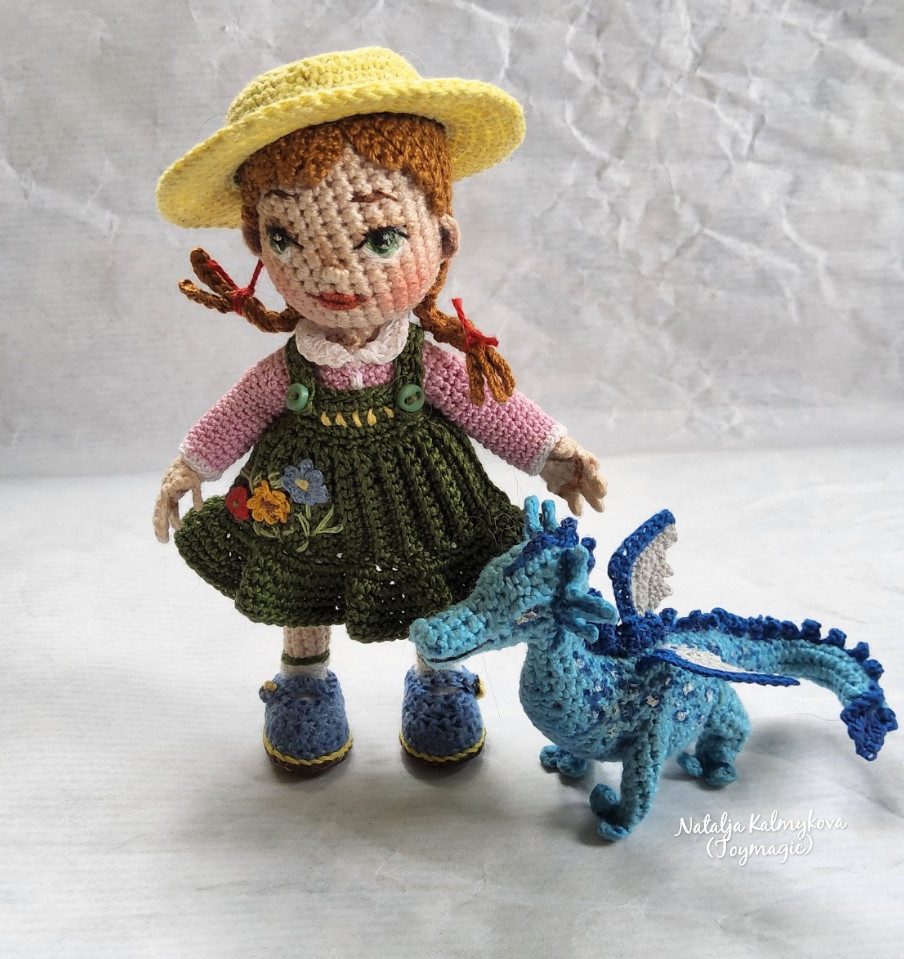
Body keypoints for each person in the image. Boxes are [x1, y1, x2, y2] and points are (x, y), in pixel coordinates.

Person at [153, 47, 606, 773]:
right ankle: (304, 684)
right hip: (306, 492)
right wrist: (192, 464)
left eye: (381, 238)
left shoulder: (425, 361)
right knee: (300, 584)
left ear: (441, 237)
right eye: (287, 239)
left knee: (439, 581)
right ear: (257, 243)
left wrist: (553, 453)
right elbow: (239, 410)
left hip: (423, 494)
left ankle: (441, 678)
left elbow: (491, 407)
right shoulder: (289, 368)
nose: (333, 270)